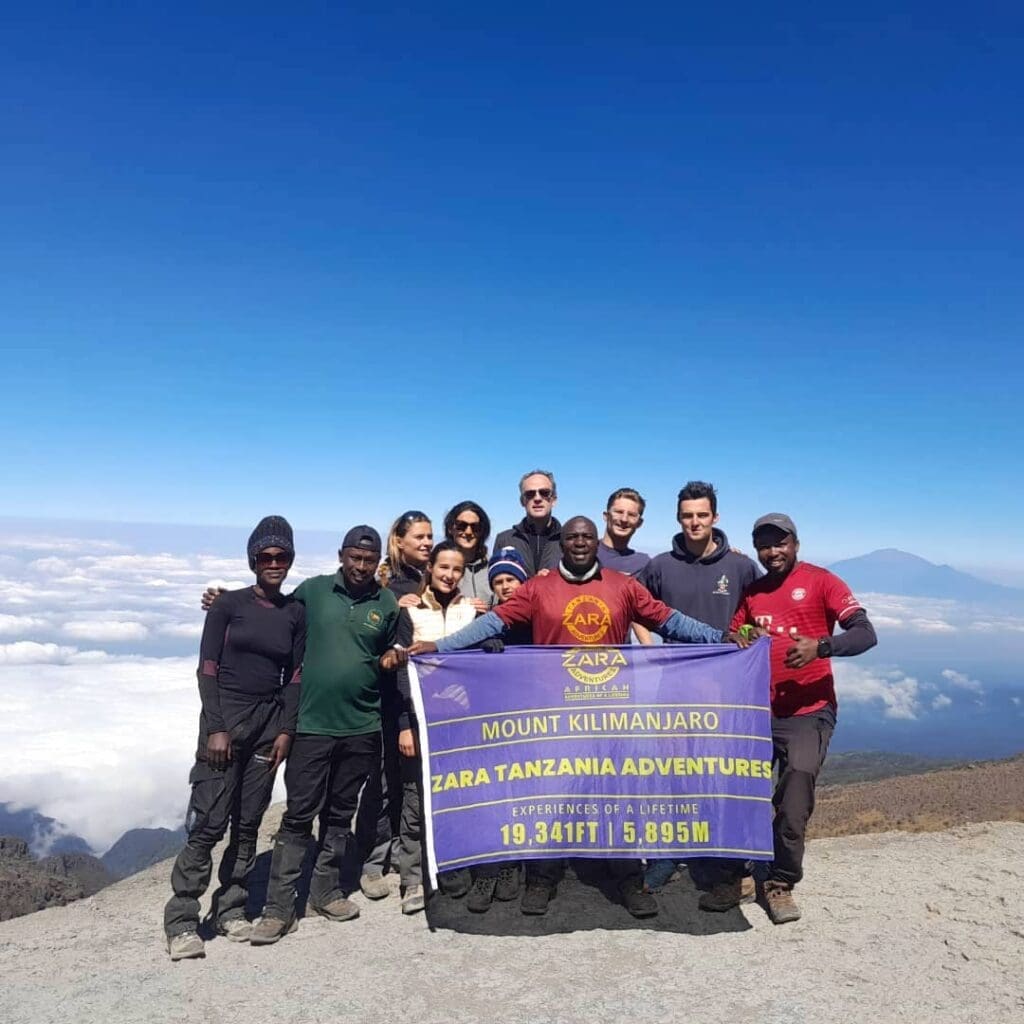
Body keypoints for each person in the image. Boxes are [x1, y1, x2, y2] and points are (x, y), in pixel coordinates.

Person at [409, 516, 729, 919]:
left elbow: (670, 621)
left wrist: (720, 639)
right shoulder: (537, 589)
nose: (579, 543)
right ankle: (543, 879)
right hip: (554, 716)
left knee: (618, 799)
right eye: (573, 537)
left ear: (597, 543)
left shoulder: (623, 586)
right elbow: (492, 622)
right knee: (552, 799)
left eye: (587, 537)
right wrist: (439, 646)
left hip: (611, 716)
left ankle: (629, 880)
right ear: (564, 544)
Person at [248, 525, 407, 944]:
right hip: (311, 725)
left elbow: (394, 646)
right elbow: (273, 611)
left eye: (368, 560)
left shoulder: (385, 602)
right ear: (341, 555)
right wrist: (226, 604)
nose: (360, 566)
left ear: (378, 564)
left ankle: (326, 893)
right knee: (300, 814)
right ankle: (278, 908)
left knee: (340, 814)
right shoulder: (314, 591)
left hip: (362, 726)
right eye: (354, 558)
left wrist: (393, 654)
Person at [724, 513, 877, 924]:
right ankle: (742, 870)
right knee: (746, 795)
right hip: (757, 710)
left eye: (780, 543)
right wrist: (742, 637)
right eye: (764, 545)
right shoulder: (753, 592)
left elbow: (865, 633)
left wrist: (821, 647)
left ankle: (779, 882)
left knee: (794, 797)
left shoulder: (822, 581)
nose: (772, 553)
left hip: (809, 712)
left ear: (795, 543)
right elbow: (731, 635)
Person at [165, 516, 305, 961]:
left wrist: (286, 729)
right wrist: (216, 728)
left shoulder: (295, 613)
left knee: (247, 825)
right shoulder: (228, 606)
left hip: (268, 723)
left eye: (281, 556)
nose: (274, 563)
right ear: (252, 560)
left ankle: (230, 909)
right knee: (208, 823)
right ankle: (183, 921)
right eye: (265, 556)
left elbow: (296, 676)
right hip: (226, 717)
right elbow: (207, 667)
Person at [637, 480, 760, 894]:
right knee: (669, 773)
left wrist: (743, 646)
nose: (694, 522)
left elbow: (756, 615)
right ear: (678, 518)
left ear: (715, 518)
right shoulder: (659, 565)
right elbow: (633, 601)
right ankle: (666, 854)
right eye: (688, 515)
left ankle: (722, 858)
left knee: (721, 772)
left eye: (702, 515)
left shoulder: (740, 567)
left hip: (724, 690)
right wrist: (648, 644)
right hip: (671, 688)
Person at [393, 541, 480, 914]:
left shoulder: (470, 611)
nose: (449, 575)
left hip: (459, 721)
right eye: (443, 567)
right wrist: (403, 725)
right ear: (430, 568)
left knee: (457, 795)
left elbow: (478, 658)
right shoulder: (411, 610)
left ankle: (452, 867)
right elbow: (399, 669)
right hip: (420, 717)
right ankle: (411, 878)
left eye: (457, 570)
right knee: (415, 798)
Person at [353, 510, 434, 899]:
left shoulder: (433, 581)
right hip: (386, 697)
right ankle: (372, 862)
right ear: (399, 540)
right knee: (383, 783)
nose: (426, 542)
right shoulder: (386, 585)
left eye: (430, 536)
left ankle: (408, 860)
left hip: (420, 701)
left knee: (411, 784)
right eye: (418, 536)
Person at [465, 546, 531, 913]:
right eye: (499, 581)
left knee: (520, 797)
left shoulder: (538, 622)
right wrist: (479, 643)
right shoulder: (483, 622)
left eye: (512, 580)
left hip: (530, 725)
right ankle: (486, 869)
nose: (506, 587)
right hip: (490, 725)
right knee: (490, 797)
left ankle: (512, 866)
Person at [597, 486, 653, 644]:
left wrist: (651, 652)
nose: (624, 519)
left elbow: (641, 613)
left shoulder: (642, 563)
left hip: (620, 657)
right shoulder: (583, 554)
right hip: (576, 651)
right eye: (618, 512)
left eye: (632, 515)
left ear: (639, 522)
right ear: (606, 515)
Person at [493, 469, 562, 576]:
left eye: (544, 493)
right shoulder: (504, 540)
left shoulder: (568, 540)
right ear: (522, 501)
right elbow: (496, 582)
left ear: (554, 500)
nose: (537, 498)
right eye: (530, 494)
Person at [443, 500, 493, 611]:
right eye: (462, 526)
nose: (468, 532)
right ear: (451, 528)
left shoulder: (492, 567)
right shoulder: (440, 567)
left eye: (475, 527)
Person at [379, 510, 434, 596]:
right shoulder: (384, 575)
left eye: (430, 537)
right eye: (419, 537)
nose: (428, 543)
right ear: (399, 542)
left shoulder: (436, 573)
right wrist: (396, 604)